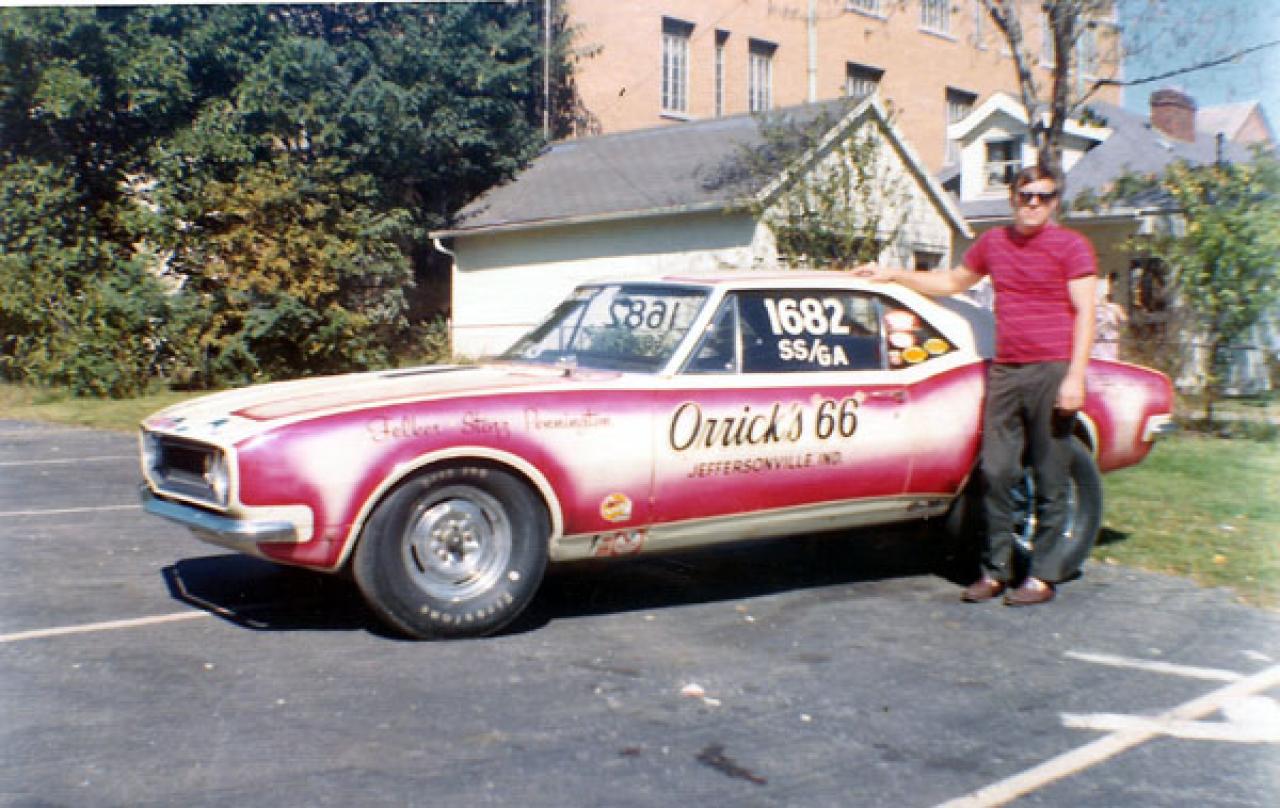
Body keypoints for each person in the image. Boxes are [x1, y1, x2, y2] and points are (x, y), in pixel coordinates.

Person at [854, 164, 1097, 606]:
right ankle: (995, 571)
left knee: (1050, 473)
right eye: (1025, 195)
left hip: (1052, 369)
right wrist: (892, 275)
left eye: (1043, 196)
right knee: (996, 472)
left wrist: (1075, 377)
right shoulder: (994, 243)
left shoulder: (1072, 247)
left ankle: (1042, 576)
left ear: (1055, 201)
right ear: (1013, 197)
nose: (1033, 203)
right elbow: (951, 281)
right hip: (1005, 370)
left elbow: (1086, 313)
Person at [1092, 275, 1127, 360]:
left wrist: (1117, 331)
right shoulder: (1091, 309)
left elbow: (1124, 321)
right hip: (1096, 346)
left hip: (1110, 344)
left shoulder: (1114, 308)